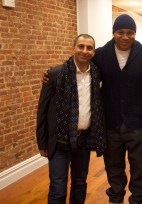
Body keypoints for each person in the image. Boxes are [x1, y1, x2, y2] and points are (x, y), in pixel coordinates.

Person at [42, 14, 142, 204]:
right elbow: (80, 59)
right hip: (111, 125)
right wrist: (53, 73)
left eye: (130, 33)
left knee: (139, 169)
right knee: (113, 169)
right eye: (120, 32)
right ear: (114, 33)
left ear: (135, 34)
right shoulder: (100, 54)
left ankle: (138, 200)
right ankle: (116, 200)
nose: (125, 37)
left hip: (138, 125)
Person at [36, 34, 106, 204]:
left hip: (83, 139)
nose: (84, 51)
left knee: (80, 183)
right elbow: (42, 110)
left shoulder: (97, 74)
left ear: (94, 52)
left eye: (89, 48)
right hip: (59, 140)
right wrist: (42, 142)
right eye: (81, 46)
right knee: (58, 188)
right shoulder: (55, 74)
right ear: (73, 48)